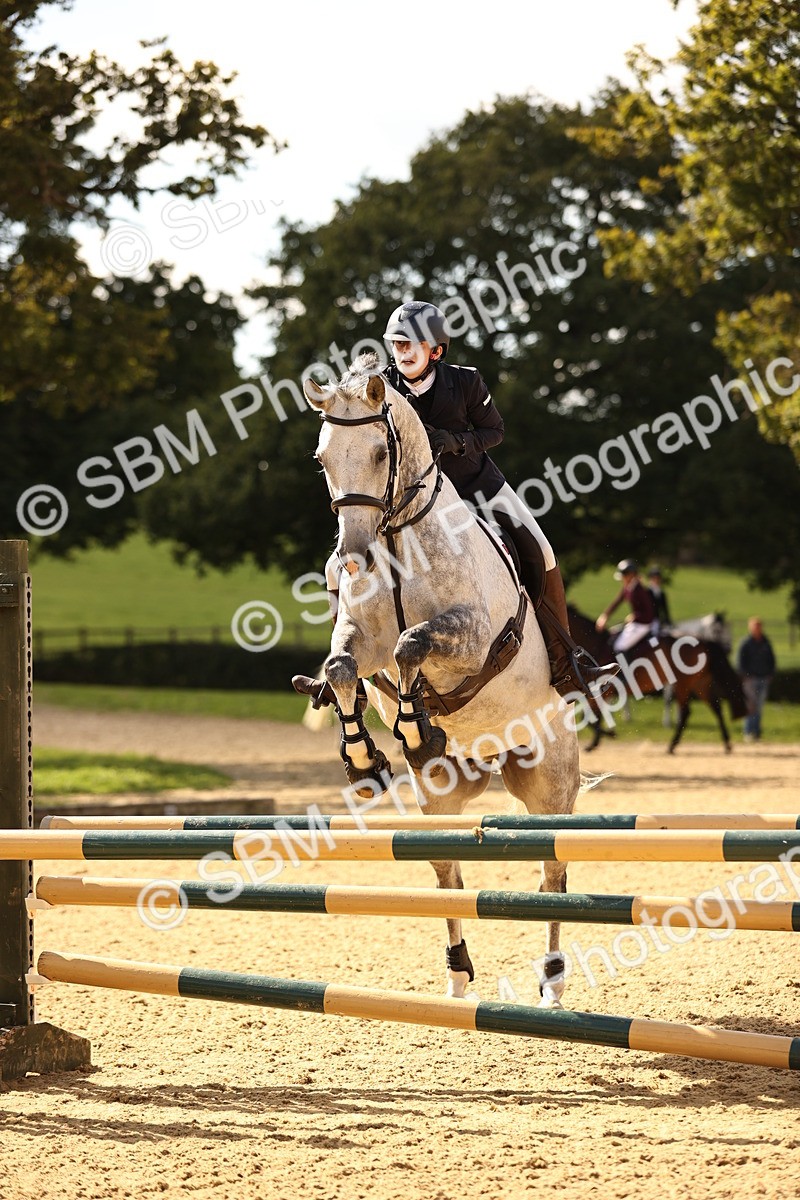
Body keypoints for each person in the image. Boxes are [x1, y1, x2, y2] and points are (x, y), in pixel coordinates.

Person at [321, 300, 619, 704]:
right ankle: (340, 669)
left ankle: (566, 661)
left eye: (411, 344)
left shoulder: (465, 382)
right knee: (338, 568)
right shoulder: (381, 389)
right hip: (414, 500)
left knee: (540, 548)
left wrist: (457, 441)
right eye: (397, 344)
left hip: (477, 485)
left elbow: (494, 430)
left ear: (436, 351)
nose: (402, 352)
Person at [595, 560, 657, 653]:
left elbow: (649, 613)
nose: (621, 579)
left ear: (631, 575)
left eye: (623, 576)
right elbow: (617, 602)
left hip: (643, 624)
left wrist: (635, 616)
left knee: (619, 646)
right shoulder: (628, 587)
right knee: (613, 635)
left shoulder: (639, 590)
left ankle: (625, 667)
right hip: (636, 623)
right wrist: (605, 616)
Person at [736, 617, 776, 741]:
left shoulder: (765, 641)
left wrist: (771, 674)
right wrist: (745, 676)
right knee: (750, 705)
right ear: (750, 628)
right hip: (750, 679)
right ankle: (748, 733)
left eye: (759, 626)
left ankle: (757, 733)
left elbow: (772, 659)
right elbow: (740, 662)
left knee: (759, 706)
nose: (757, 628)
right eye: (755, 626)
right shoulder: (746, 643)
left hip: (763, 678)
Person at [647, 566, 672, 631]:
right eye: (654, 578)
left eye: (658, 578)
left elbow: (665, 609)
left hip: (657, 620)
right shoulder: (647, 592)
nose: (656, 580)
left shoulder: (661, 593)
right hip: (648, 620)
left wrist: (667, 621)